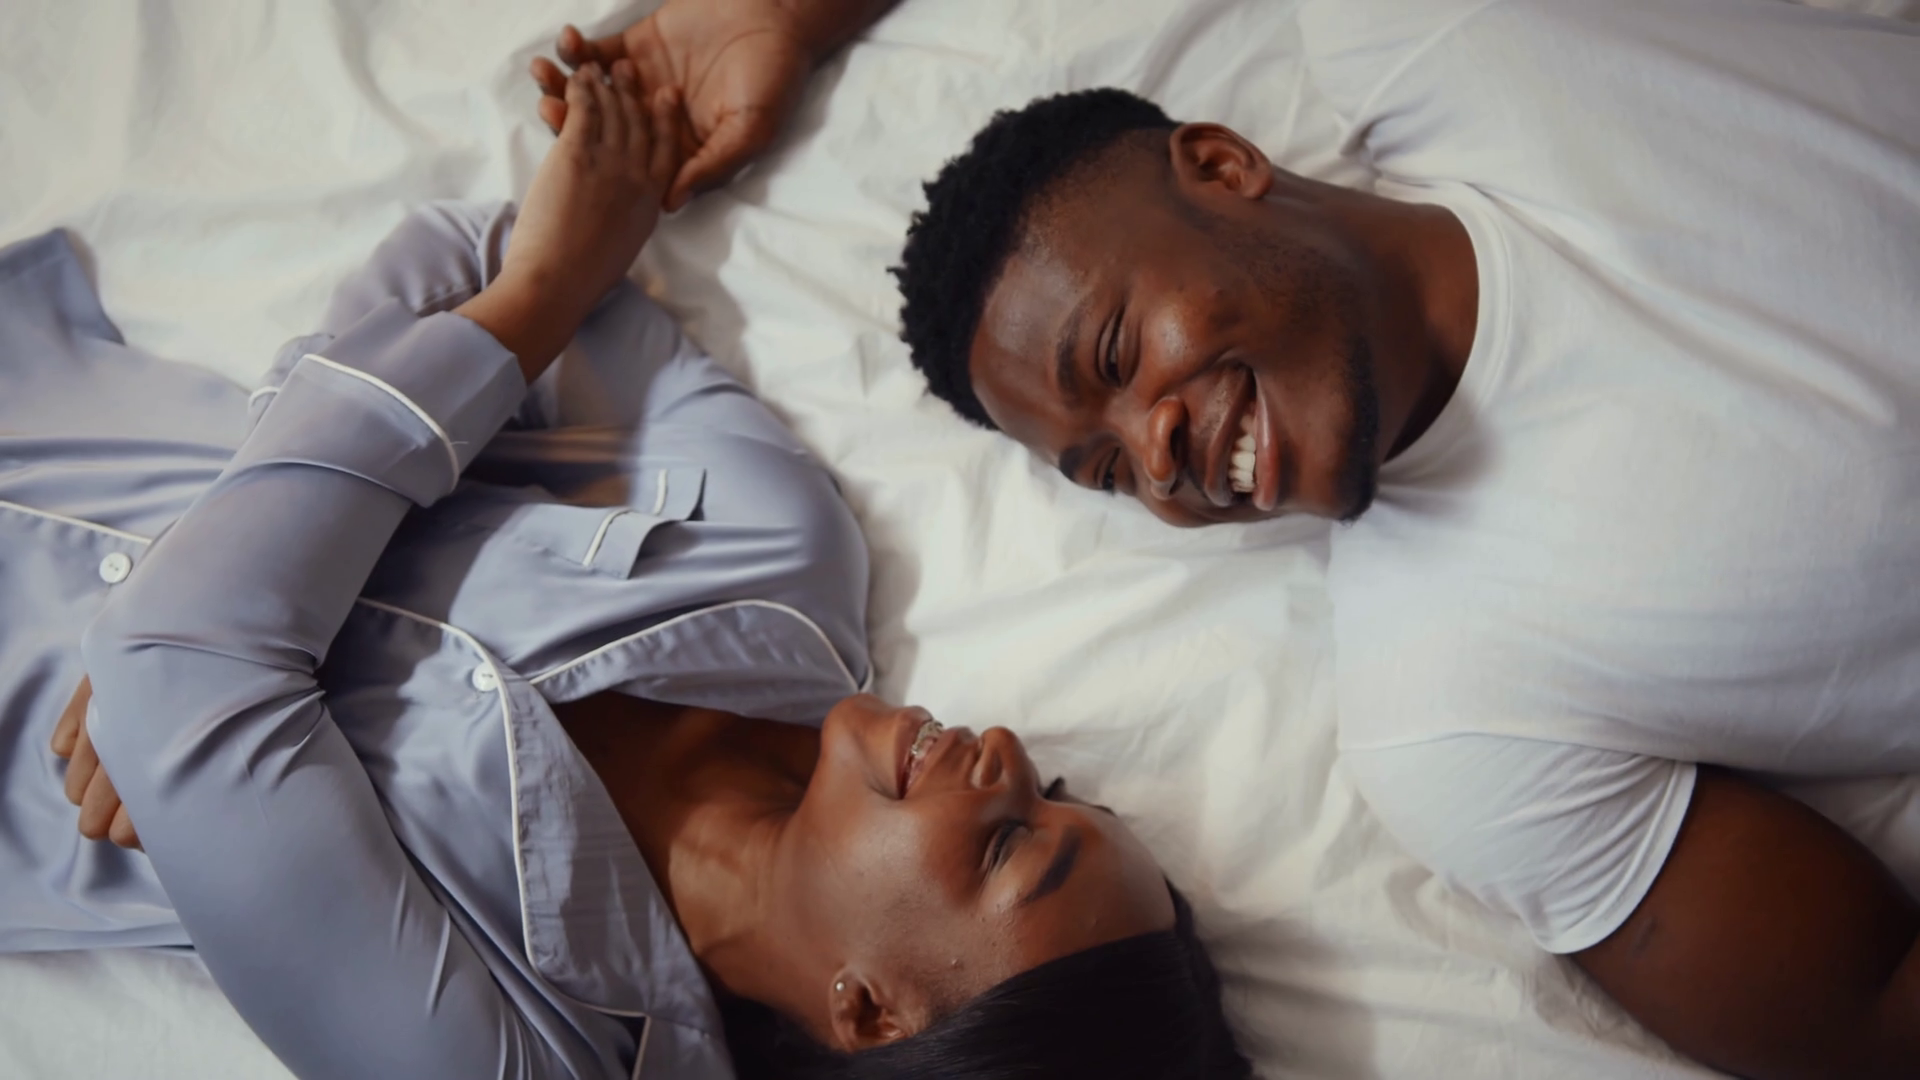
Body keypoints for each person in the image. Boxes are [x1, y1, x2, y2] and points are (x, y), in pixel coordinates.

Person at [2, 59, 1251, 1080]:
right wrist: (215, 587)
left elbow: (171, 664)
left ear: (871, 1010)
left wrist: (238, 586)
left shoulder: (512, 1052)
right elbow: (500, 254)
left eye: (1009, 845)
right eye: (1057, 790)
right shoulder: (776, 551)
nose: (1009, 758)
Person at [880, 3, 1920, 1079]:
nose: (1154, 457)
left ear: (1225, 166)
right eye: (1106, 472)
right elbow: (1877, 1018)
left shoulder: (1432, 36)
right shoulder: (1454, 722)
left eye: (1114, 349)